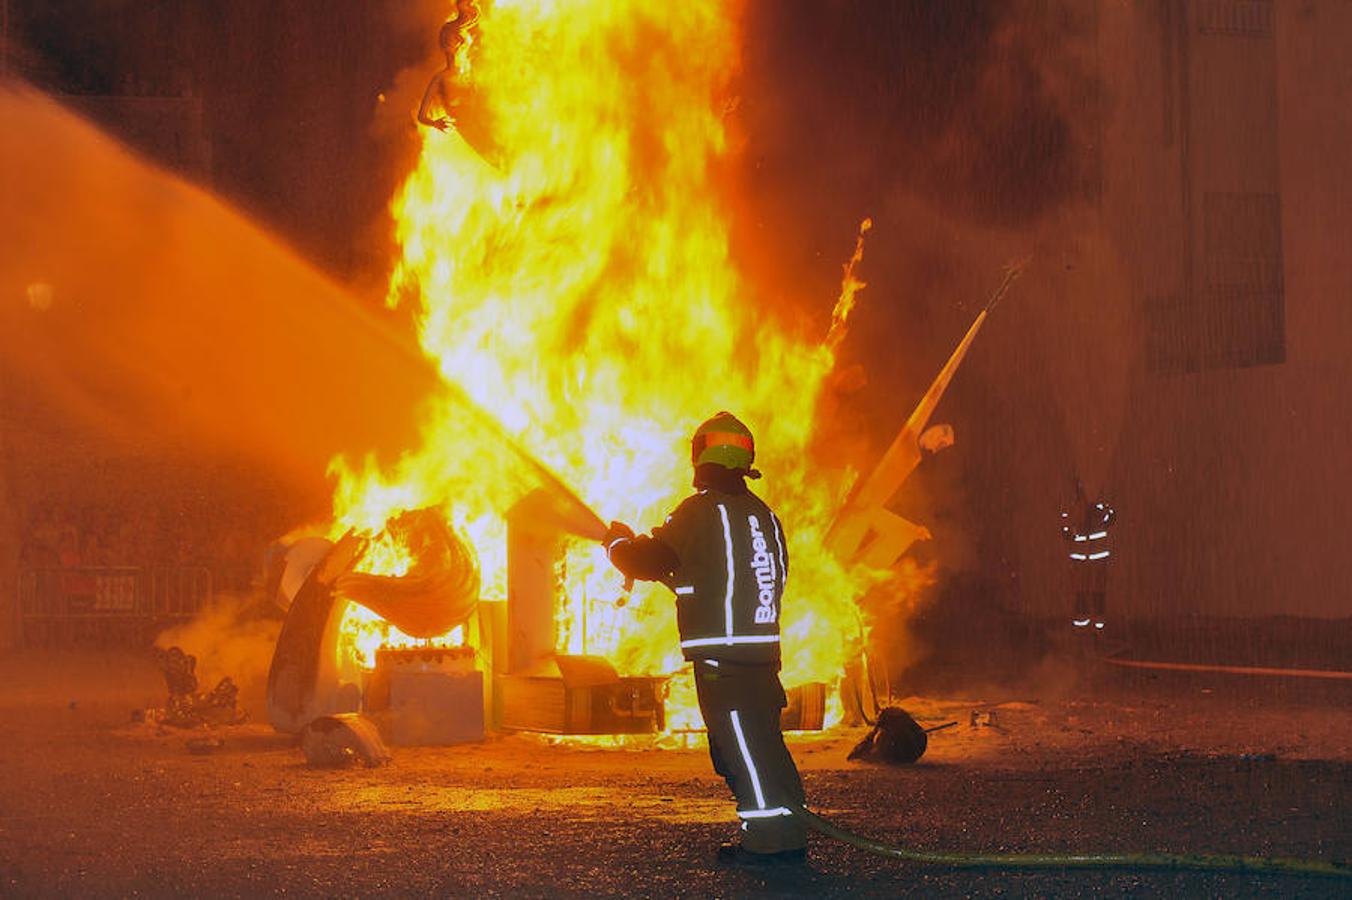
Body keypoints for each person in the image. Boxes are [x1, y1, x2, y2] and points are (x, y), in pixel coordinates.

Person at [604, 412, 808, 866]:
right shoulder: (763, 516)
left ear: (700, 458)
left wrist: (616, 543)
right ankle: (788, 829)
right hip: (760, 655)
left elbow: (649, 561)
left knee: (742, 751)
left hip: (723, 659)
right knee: (764, 745)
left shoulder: (699, 510)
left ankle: (770, 843)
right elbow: (745, 577)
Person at [416, 3, 481, 135]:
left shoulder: (470, 75)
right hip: (465, 130)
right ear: (447, 47)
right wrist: (436, 123)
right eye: (454, 41)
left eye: (459, 40)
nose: (458, 45)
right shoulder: (441, 78)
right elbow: (421, 116)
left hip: (479, 126)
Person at [1061, 485, 1115, 631]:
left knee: (1096, 591)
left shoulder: (1100, 503)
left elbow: (1111, 518)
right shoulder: (1074, 505)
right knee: (1082, 592)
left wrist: (1095, 512)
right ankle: (1082, 629)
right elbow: (1066, 529)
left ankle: (1098, 629)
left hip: (1096, 555)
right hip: (1082, 556)